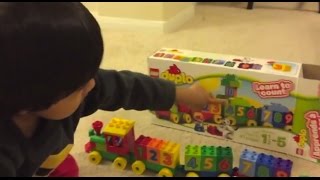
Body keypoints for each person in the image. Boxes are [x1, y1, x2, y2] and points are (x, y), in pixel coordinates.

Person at [0, 2, 216, 177]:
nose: (92, 85)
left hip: (48, 152)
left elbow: (127, 87)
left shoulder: (64, 91)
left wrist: (182, 94)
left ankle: (50, 157)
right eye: (78, 87)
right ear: (26, 104)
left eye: (90, 75)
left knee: (63, 164)